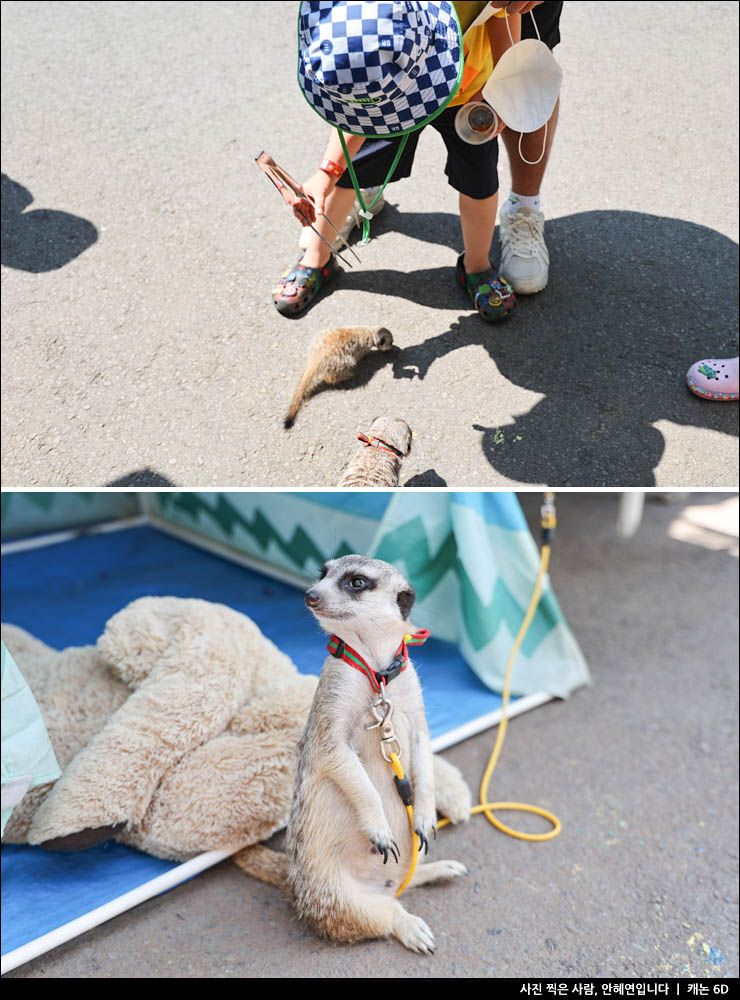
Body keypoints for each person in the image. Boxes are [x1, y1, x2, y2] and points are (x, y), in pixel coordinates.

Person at [272, 1, 562, 319]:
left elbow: (505, 25)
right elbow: (355, 121)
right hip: (394, 105)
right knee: (355, 172)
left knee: (479, 182)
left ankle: (476, 265)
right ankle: (317, 257)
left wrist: (504, 89)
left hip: (469, 96)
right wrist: (326, 174)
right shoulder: (378, 41)